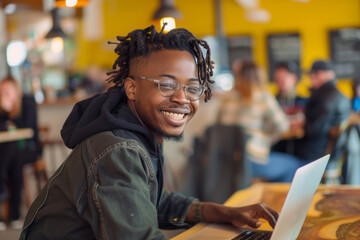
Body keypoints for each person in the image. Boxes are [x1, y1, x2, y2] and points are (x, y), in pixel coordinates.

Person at [20, 25, 279, 240]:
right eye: (166, 85)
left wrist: (228, 214)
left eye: (192, 88)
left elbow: (156, 201)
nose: (182, 98)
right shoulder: (118, 150)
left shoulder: (139, 133)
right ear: (131, 88)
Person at [218, 60, 304, 182]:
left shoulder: (227, 98)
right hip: (251, 161)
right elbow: (283, 126)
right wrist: (267, 136)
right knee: (294, 165)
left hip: (227, 159)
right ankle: (275, 199)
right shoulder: (263, 96)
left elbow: (219, 126)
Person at [0, 76, 42, 230]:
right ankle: (14, 215)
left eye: (7, 90)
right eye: (2, 91)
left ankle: (2, 189)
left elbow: (27, 129)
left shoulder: (27, 102)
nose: (4, 94)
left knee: (14, 157)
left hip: (29, 148)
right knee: (12, 156)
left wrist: (11, 112)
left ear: (16, 90)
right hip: (8, 152)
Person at [295, 60, 351, 161]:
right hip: (333, 155)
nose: (310, 81)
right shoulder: (341, 97)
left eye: (311, 77)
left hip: (315, 156)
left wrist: (302, 124)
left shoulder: (324, 98)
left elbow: (314, 130)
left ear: (320, 75)